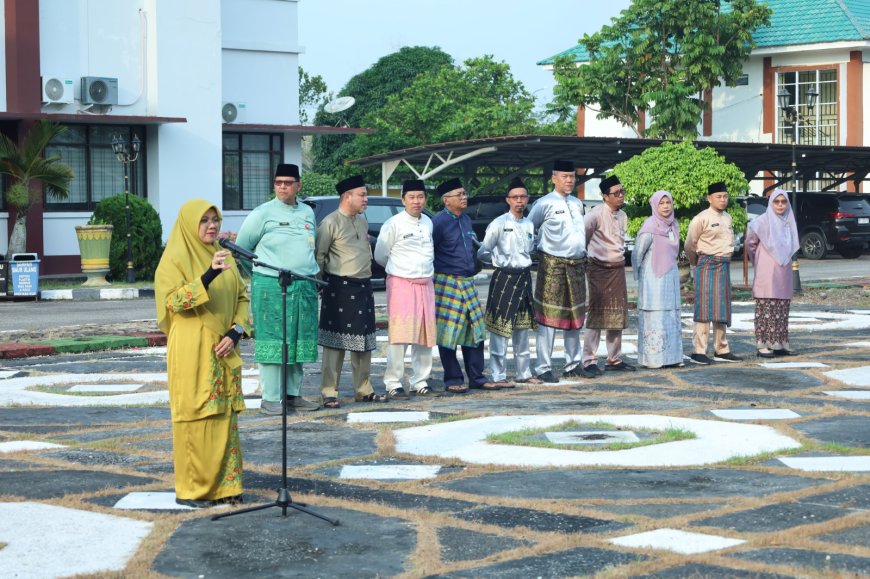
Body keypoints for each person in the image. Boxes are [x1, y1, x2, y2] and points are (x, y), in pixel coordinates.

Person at [155, 199, 248, 508]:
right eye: (204, 220)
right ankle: (193, 489)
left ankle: (225, 486)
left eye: (215, 219)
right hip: (191, 349)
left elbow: (243, 297)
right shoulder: (175, 259)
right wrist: (208, 275)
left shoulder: (226, 257)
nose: (212, 225)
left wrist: (236, 331)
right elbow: (173, 302)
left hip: (223, 347)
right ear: (189, 224)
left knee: (223, 416)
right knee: (196, 416)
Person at [235, 163, 320, 414]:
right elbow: (241, 249)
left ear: (298, 185)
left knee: (297, 340)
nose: (282, 186)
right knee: (274, 340)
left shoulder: (307, 212)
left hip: (303, 286)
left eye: (288, 182)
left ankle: (293, 395)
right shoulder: (262, 213)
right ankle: (271, 398)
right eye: (278, 182)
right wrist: (262, 275)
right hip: (270, 286)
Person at [315, 175, 383, 408]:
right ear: (347, 197)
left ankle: (363, 390)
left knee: (364, 342)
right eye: (362, 195)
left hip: (364, 287)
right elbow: (319, 257)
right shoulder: (330, 222)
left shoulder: (361, 220)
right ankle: (329, 391)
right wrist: (321, 284)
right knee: (335, 342)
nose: (366, 199)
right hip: (339, 288)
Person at [432, 178, 502, 393]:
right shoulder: (437, 222)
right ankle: (452, 378)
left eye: (464, 194)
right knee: (448, 332)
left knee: (475, 331)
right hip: (446, 282)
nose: (464, 198)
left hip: (468, 282)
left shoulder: (466, 220)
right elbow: (430, 252)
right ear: (446, 200)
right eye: (459, 195)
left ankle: (477, 377)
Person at [373, 179, 437, 399]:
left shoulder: (428, 222)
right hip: (401, 283)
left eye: (420, 197)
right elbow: (380, 255)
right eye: (411, 197)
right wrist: (400, 270)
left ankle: (420, 380)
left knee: (424, 334)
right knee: (399, 335)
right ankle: (393, 382)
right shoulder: (393, 223)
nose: (416, 201)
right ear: (403, 200)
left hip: (426, 284)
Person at [527, 159, 588, 382]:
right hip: (552, 265)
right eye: (565, 176)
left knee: (574, 315)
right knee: (548, 317)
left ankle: (573, 363)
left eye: (572, 176)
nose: (570, 180)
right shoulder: (544, 204)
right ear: (554, 178)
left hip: (577, 265)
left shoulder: (577, 203)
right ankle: (543, 366)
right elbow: (528, 229)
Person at [477, 177, 540, 385]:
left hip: (523, 278)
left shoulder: (530, 224)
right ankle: (498, 375)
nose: (519, 201)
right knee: (500, 330)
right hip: (503, 278)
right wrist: (498, 263)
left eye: (523, 197)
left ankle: (524, 373)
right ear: (508, 200)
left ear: (527, 199)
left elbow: (531, 250)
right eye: (515, 197)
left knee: (521, 330)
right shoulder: (499, 224)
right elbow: (483, 251)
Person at [684, 181, 741, 365]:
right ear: (709, 198)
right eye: (719, 196)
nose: (723, 200)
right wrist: (696, 264)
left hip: (724, 265)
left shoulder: (728, 218)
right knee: (704, 307)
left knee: (721, 307)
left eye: (725, 196)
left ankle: (721, 349)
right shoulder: (701, 218)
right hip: (706, 264)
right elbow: (690, 245)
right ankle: (699, 350)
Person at [582, 175, 633, 374]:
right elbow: (583, 239)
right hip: (598, 269)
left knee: (617, 315)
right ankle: (589, 360)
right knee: (596, 315)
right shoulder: (593, 215)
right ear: (605, 196)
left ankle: (614, 358)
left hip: (618, 269)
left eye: (622, 192)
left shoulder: (623, 216)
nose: (621, 196)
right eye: (616, 193)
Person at [632, 190, 684, 368]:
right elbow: (637, 253)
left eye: (668, 203)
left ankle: (673, 358)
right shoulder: (649, 226)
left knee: (670, 314)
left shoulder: (673, 225)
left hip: (670, 276)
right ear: (655, 205)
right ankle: (654, 359)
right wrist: (639, 278)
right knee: (655, 314)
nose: (665, 206)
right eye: (661, 203)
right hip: (653, 279)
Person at [746, 188, 799, 358]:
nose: (780, 205)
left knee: (782, 307)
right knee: (766, 307)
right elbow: (750, 244)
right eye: (777, 201)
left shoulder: (788, 222)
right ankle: (762, 345)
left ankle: (779, 343)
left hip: (783, 270)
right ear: (771, 203)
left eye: (784, 202)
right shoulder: (761, 222)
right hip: (767, 270)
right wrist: (759, 261)